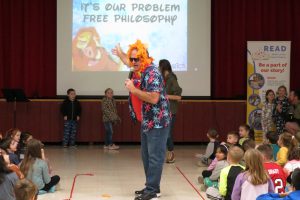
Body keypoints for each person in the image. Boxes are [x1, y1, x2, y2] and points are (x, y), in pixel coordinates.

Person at [117, 40, 171, 200]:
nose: (132, 62)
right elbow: (128, 61)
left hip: (158, 121)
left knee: (155, 156)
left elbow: (154, 98)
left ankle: (152, 190)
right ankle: (152, 187)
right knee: (146, 155)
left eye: (136, 59)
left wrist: (134, 89)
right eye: (131, 59)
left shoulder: (152, 73)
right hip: (147, 120)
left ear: (144, 59)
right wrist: (120, 53)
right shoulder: (139, 68)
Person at [159, 59, 182, 164]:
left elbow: (178, 97)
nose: (158, 69)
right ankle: (163, 153)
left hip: (170, 111)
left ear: (163, 67)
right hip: (163, 110)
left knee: (167, 134)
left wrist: (165, 96)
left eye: (160, 67)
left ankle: (171, 153)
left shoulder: (172, 79)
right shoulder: (164, 79)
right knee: (162, 133)